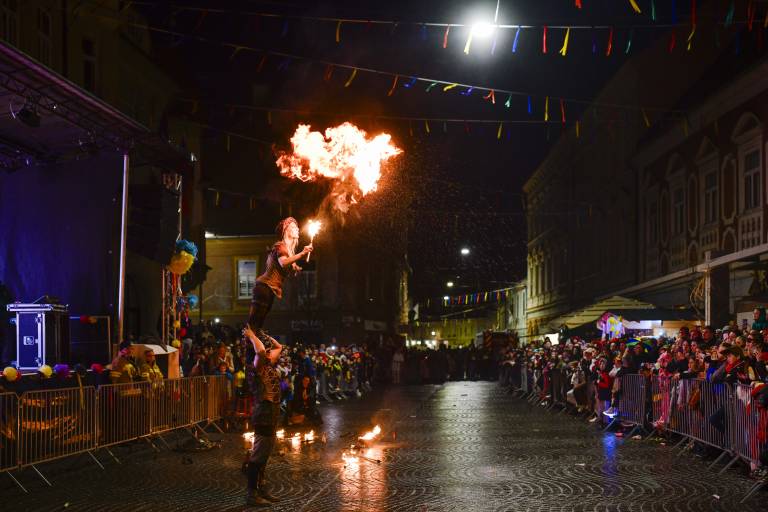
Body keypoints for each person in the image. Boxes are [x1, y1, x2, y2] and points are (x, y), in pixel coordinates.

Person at [248, 217, 313, 345]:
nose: (297, 229)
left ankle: (256, 347)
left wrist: (295, 268)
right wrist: (302, 253)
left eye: (297, 227)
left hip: (269, 289)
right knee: (253, 324)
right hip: (264, 287)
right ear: (285, 230)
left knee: (258, 324)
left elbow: (287, 264)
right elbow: (283, 263)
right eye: (293, 227)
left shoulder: (288, 251)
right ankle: (250, 348)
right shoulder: (280, 246)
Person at [242, 324, 283, 507]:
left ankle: (261, 488)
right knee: (258, 456)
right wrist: (252, 335)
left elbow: (279, 347)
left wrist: (262, 334)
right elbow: (259, 351)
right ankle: (252, 493)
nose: (268, 351)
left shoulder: (267, 363)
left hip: (272, 413)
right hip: (264, 414)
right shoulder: (256, 366)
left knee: (264, 455)